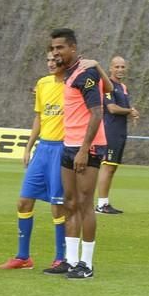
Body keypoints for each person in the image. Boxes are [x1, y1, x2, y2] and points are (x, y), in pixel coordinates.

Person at [0, 53, 112, 271]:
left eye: (55, 59)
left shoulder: (74, 82)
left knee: (60, 205)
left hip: (63, 147)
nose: (51, 63)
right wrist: (29, 147)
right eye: (48, 60)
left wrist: (97, 66)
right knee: (24, 201)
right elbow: (39, 117)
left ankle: (62, 258)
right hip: (43, 149)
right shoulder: (42, 84)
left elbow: (105, 92)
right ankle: (23, 257)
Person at [46, 28, 107, 279]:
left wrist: (84, 149)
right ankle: (70, 261)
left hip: (87, 147)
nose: (56, 52)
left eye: (60, 48)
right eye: (53, 48)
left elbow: (97, 112)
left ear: (72, 47)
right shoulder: (69, 74)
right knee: (69, 203)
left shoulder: (86, 73)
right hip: (68, 144)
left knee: (84, 204)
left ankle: (87, 264)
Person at [95, 56, 139, 215]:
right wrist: (129, 111)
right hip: (110, 131)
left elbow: (124, 108)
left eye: (122, 67)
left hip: (120, 131)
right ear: (110, 68)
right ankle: (101, 204)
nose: (120, 70)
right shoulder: (107, 86)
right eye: (117, 67)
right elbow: (112, 108)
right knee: (107, 167)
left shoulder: (123, 87)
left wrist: (132, 112)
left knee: (112, 167)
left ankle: (105, 203)